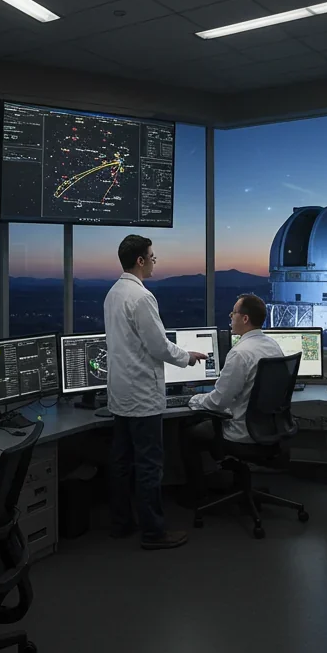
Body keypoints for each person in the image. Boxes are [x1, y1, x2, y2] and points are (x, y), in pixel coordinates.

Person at [104, 234, 207, 550]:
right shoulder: (142, 298)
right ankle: (153, 532)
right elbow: (158, 346)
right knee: (149, 465)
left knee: (122, 463)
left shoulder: (113, 294)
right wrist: (187, 357)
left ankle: (122, 524)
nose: (154, 260)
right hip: (142, 396)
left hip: (120, 393)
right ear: (140, 260)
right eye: (152, 255)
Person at [179, 293, 283, 504]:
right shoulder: (274, 347)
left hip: (241, 434)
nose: (230, 317)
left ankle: (196, 495)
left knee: (186, 432)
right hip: (270, 429)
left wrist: (193, 399)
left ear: (245, 319)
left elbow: (217, 402)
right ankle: (235, 483)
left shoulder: (240, 353)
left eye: (233, 312)